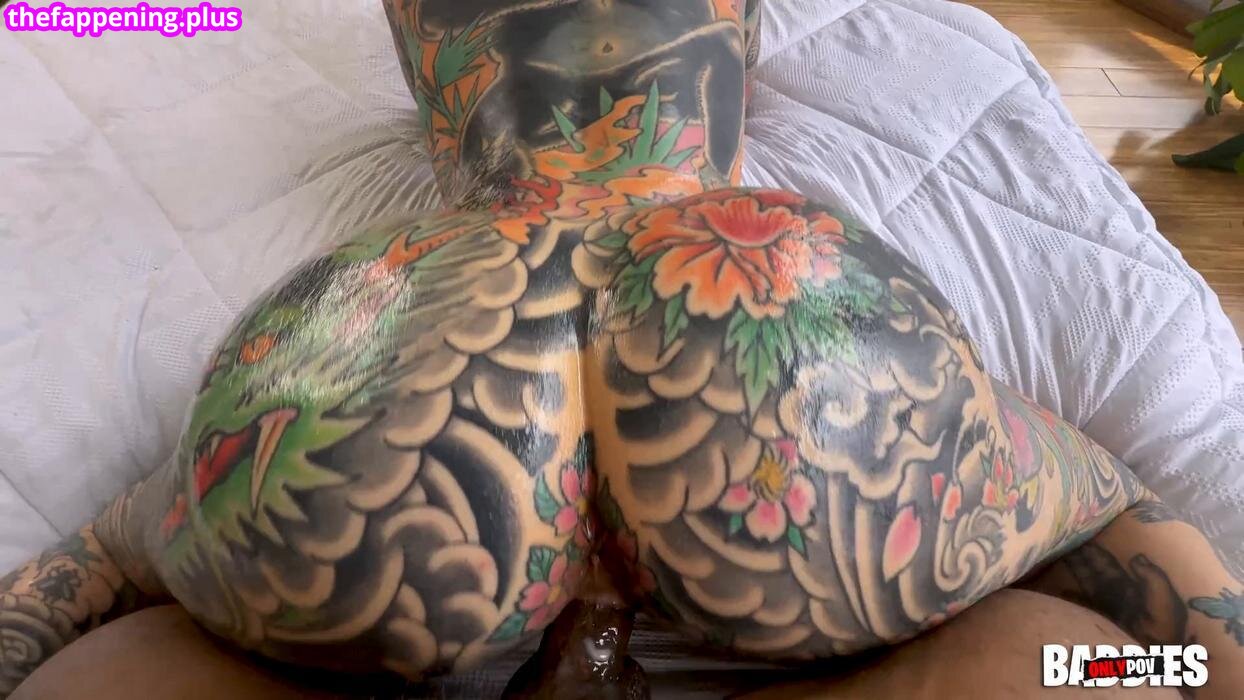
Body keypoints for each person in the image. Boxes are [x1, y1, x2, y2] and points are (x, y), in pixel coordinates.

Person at [3, 1, 1242, 697]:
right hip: (774, 321)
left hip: (414, 327)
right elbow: (1106, 513)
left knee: (107, 657)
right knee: (1087, 668)